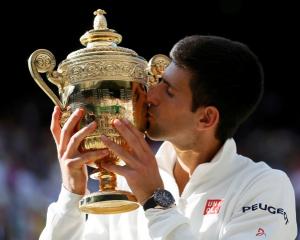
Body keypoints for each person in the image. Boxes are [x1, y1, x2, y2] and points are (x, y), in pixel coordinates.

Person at [39, 35, 297, 240]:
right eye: (159, 81)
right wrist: (72, 195)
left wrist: (155, 201)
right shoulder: (126, 180)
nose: (150, 96)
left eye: (169, 91)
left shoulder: (263, 187)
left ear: (206, 118)